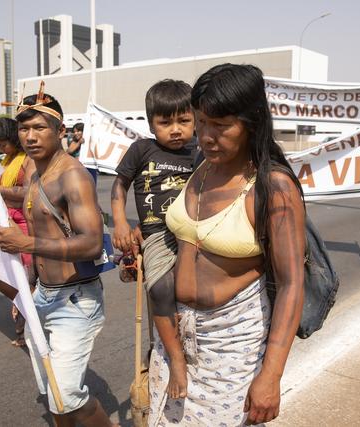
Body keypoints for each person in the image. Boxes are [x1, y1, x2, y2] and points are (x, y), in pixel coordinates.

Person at [148, 64, 306, 426]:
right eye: (201, 122)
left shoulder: (274, 188)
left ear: (251, 123)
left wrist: (271, 376)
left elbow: (292, 284)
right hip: (174, 338)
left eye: (220, 126)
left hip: (231, 346)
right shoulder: (201, 166)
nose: (205, 136)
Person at [0, 88, 117, 427]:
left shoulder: (72, 175)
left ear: (60, 131)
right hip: (42, 296)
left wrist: (25, 244)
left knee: (67, 396)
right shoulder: (37, 172)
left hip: (75, 300)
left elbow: (90, 244)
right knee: (54, 395)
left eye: (40, 128)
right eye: (24, 128)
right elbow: (27, 197)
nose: (30, 136)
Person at [111, 79, 196, 399]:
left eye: (184, 121)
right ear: (151, 124)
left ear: (195, 121)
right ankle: (175, 359)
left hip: (194, 233)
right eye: (165, 122)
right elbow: (119, 187)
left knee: (196, 297)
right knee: (160, 289)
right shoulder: (142, 149)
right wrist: (121, 223)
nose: (175, 130)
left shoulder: (200, 150)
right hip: (158, 235)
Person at [0, 117, 36, 346]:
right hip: (9, 222)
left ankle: (30, 331)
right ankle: (25, 327)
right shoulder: (8, 161)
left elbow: (28, 193)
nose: (0, 149)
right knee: (8, 276)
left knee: (27, 281)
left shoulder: (28, 160)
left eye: (3, 144)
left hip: (24, 226)